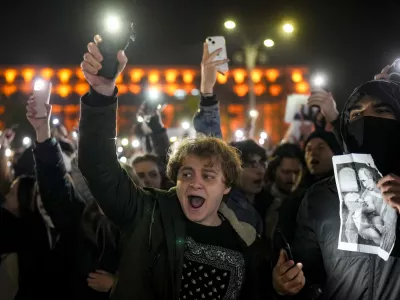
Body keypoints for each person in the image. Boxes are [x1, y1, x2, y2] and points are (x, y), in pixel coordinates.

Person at [78, 36, 272, 300]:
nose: (195, 182)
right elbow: (98, 166)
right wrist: (101, 94)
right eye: (186, 173)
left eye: (208, 175)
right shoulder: (147, 214)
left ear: (227, 186)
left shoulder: (248, 241)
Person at [273, 79, 400, 299]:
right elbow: (306, 271)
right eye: (356, 115)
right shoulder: (321, 196)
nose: (367, 119)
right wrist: (285, 283)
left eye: (381, 110)